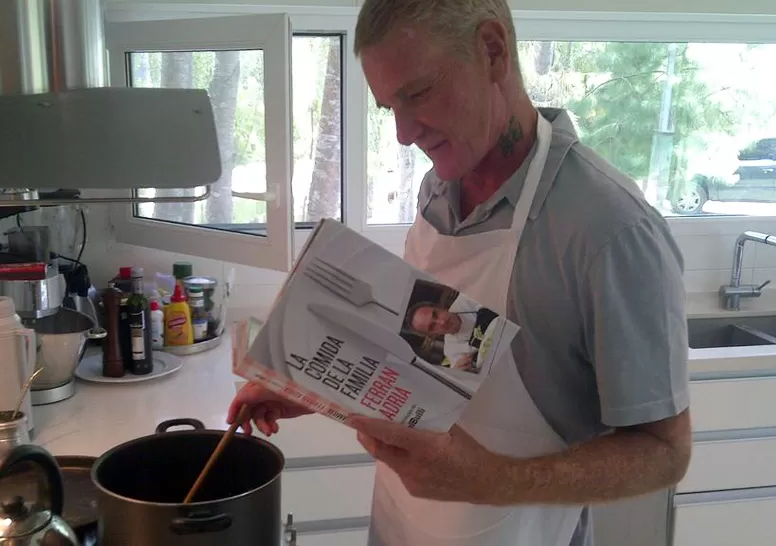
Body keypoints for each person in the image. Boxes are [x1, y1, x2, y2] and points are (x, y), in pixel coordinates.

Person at [228, 0, 692, 544]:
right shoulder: (439, 188)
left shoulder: (609, 230)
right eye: (388, 109)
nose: (403, 134)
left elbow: (665, 453)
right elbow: (440, 351)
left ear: (492, 50)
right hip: (403, 523)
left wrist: (492, 480)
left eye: (417, 94)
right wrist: (319, 384)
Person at [404, 296, 488, 370]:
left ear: (440, 307)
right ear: (432, 335)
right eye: (432, 326)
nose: (442, 322)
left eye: (435, 314)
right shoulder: (452, 350)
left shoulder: (467, 297)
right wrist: (460, 374)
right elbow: (461, 375)